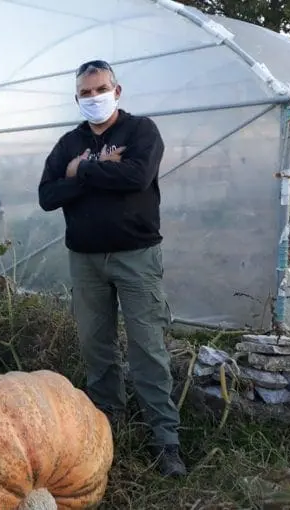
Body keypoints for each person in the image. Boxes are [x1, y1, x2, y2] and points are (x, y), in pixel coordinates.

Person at [37, 60, 186, 477]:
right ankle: (107, 424)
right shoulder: (68, 141)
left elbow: (137, 177)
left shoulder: (141, 131)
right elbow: (47, 196)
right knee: (96, 346)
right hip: (85, 259)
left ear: (117, 91)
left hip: (136, 255)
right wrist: (101, 170)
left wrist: (81, 170)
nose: (94, 97)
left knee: (147, 347)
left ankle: (165, 439)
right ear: (77, 98)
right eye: (86, 92)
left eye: (100, 89)